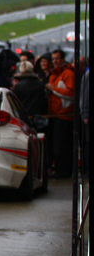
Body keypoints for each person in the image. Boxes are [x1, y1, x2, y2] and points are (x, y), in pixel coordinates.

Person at [46, 49, 75, 178]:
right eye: (53, 59)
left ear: (63, 59)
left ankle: (64, 171)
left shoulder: (68, 74)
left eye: (57, 59)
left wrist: (53, 89)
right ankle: (60, 170)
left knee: (61, 147)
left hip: (64, 115)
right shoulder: (54, 74)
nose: (55, 61)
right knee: (56, 146)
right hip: (55, 115)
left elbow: (70, 93)